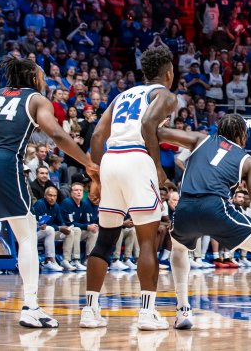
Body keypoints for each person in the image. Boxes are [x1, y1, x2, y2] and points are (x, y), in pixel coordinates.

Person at [0, 56, 98, 328]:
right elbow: (58, 135)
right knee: (27, 234)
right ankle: (30, 306)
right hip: (5, 162)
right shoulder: (36, 100)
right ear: (32, 79)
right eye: (41, 75)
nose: (43, 80)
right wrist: (88, 162)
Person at [156, 113, 251, 334]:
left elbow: (159, 134)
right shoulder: (246, 159)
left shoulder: (200, 138)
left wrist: (159, 124)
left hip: (184, 209)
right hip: (216, 208)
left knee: (179, 248)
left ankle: (183, 311)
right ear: (242, 135)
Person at [80, 46, 177, 331]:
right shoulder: (164, 94)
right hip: (137, 158)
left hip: (110, 160)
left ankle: (90, 310)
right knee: (148, 240)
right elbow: (148, 123)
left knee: (105, 240)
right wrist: (158, 167)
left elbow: (98, 134)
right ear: (169, 73)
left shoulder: (122, 95)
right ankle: (147, 313)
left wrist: (96, 177)